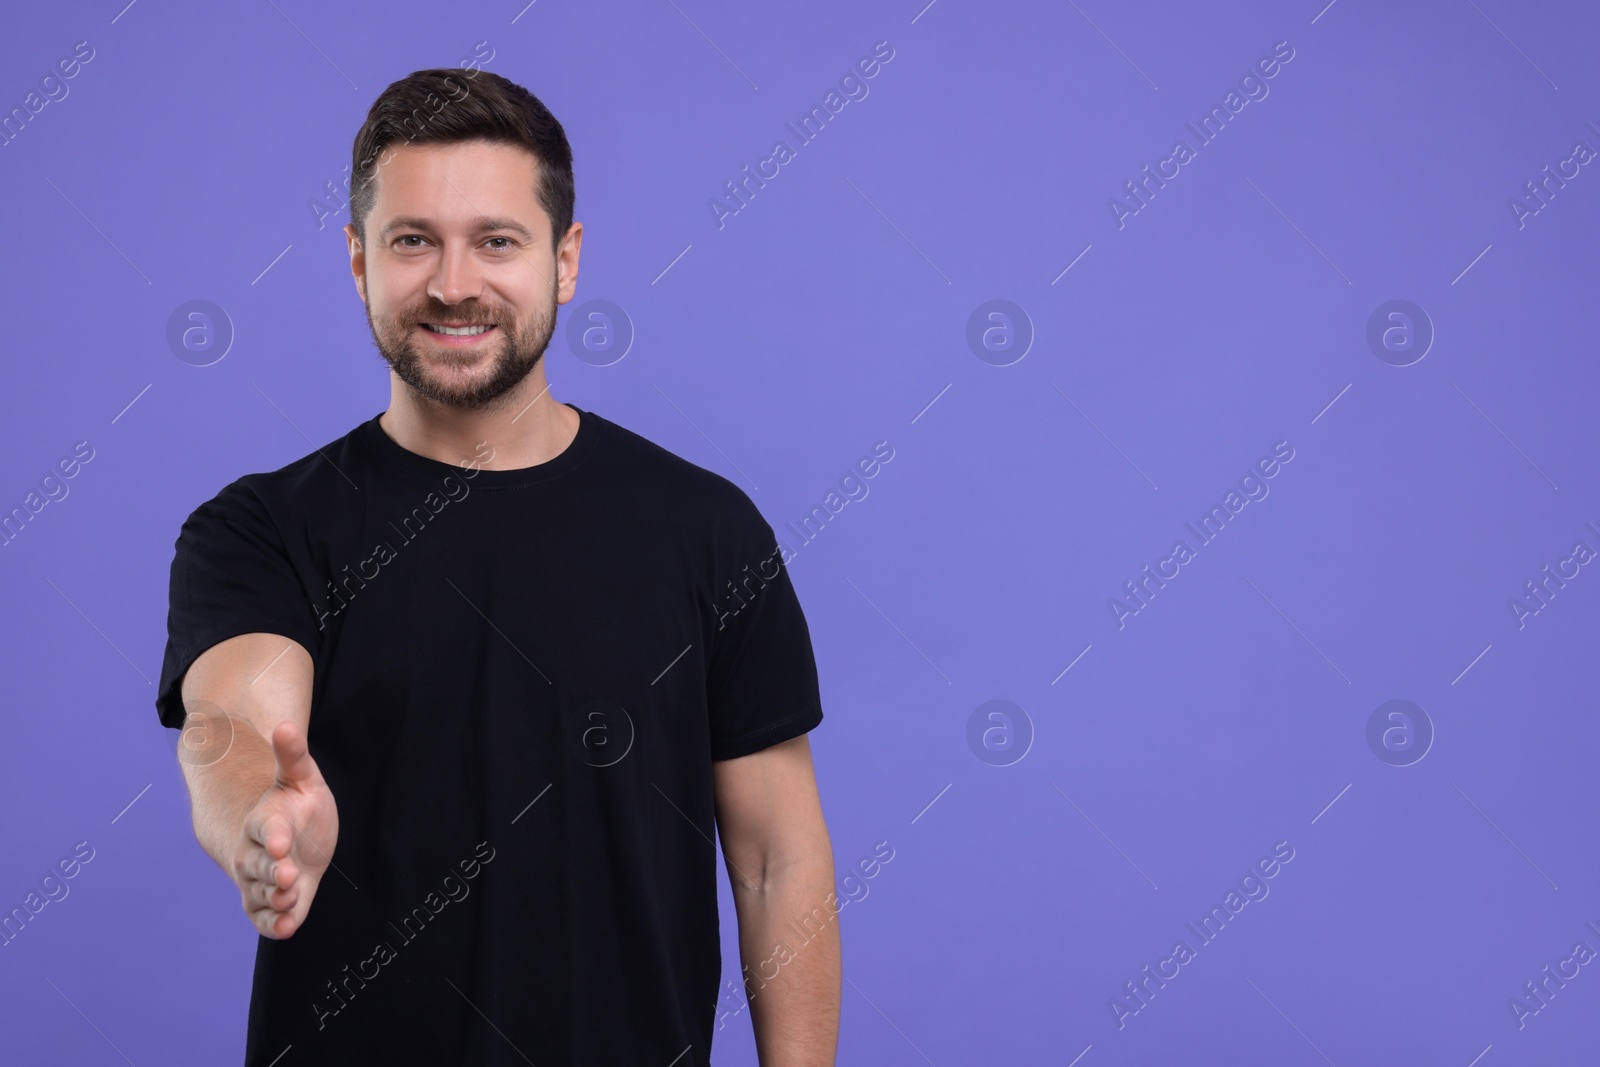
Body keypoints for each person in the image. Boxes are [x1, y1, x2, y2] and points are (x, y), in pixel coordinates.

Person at [156, 67, 840, 1066]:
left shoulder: (707, 529)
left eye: (496, 241)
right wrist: (258, 818)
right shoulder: (263, 527)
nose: (453, 283)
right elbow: (232, 723)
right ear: (357, 261)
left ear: (565, 260)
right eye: (412, 241)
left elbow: (778, 860)